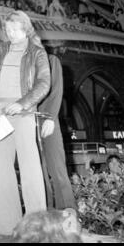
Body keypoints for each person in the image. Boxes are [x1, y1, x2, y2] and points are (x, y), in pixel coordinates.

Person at [0, 10, 50, 235]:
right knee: (1, 169)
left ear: (25, 29)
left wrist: (22, 103)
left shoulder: (37, 52)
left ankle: (37, 227)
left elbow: (43, 83)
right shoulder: (4, 48)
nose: (10, 33)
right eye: (8, 29)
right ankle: (8, 225)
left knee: (30, 168)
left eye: (14, 29)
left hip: (22, 113)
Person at [38, 53, 76, 210]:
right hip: (29, 122)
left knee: (57, 168)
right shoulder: (24, 62)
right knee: (39, 172)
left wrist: (51, 117)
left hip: (47, 118)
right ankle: (47, 211)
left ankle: (67, 211)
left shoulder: (50, 60)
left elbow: (56, 89)